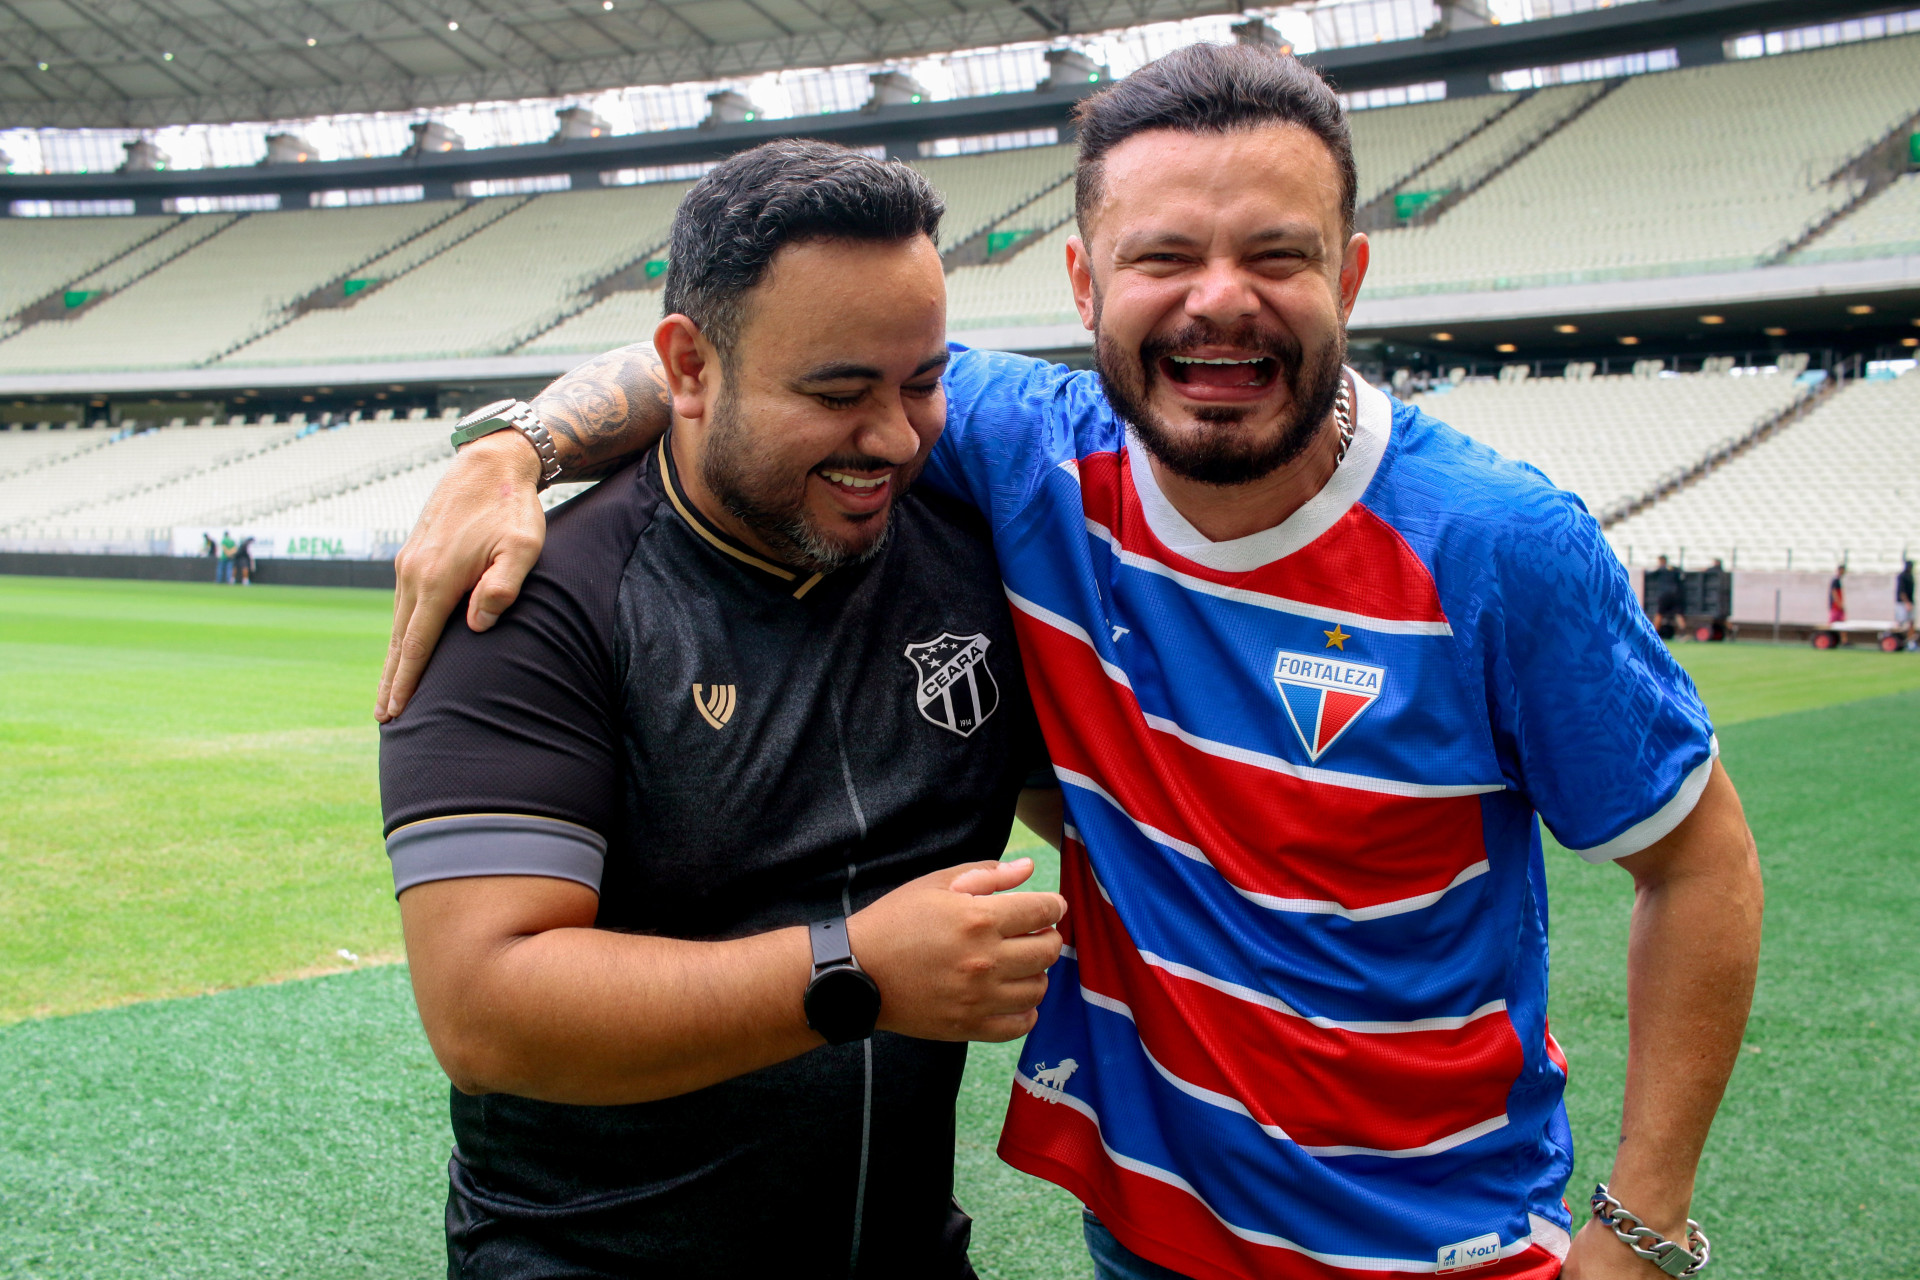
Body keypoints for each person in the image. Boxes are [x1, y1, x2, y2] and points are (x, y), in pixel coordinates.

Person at [380, 47, 1763, 1280]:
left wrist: (1642, 1225)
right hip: (1144, 1233)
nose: (1219, 302)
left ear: (1347, 275)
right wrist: (518, 447)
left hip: (1432, 1243)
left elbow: (1697, 864)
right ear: (1085, 284)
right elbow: (754, 346)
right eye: (1165, 257)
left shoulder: (1500, 545)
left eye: (1275, 255)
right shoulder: (1021, 453)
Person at [379, 142, 1067, 1278]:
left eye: (922, 382)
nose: (895, 437)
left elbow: (1091, 806)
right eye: (837, 394)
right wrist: (854, 970)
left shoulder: (971, 555)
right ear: (689, 368)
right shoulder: (534, 599)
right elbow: (483, 1011)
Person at [1896, 558, 1915, 650]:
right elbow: (1902, 591)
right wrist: (1907, 603)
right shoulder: (1902, 576)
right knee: (1900, 623)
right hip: (1902, 603)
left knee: (1911, 622)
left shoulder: (1910, 576)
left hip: (1910, 602)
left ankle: (1910, 642)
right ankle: (1897, 640)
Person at [1829, 563, 1847, 645]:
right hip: (1835, 606)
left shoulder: (1838, 580)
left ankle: (1844, 640)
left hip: (1837, 605)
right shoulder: (1835, 580)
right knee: (1834, 623)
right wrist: (1839, 604)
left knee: (1842, 623)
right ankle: (1830, 638)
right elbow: (1834, 593)